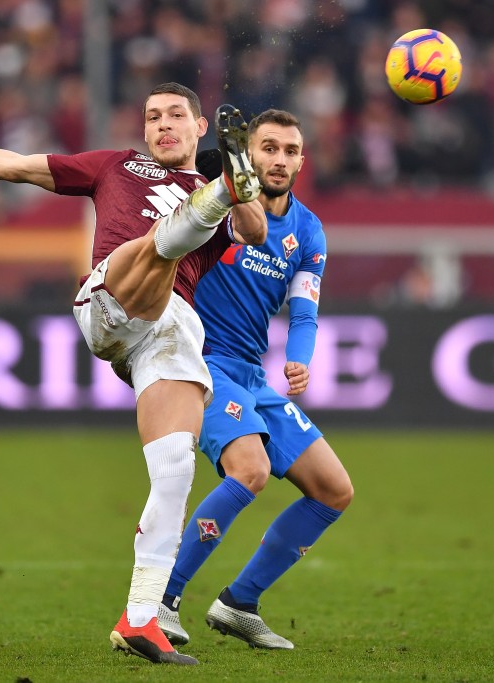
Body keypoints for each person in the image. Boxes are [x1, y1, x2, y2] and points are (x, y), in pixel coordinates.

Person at [0, 82, 267, 665]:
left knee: (176, 470)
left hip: (170, 334)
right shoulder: (115, 166)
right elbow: (16, 167)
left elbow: (257, 231)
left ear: (201, 126)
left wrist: (238, 191)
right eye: (152, 116)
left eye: (175, 116)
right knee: (161, 247)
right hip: (112, 296)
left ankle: (140, 619)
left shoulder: (224, 192)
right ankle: (201, 211)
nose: (163, 125)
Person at [155, 109, 354, 649]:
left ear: (301, 161)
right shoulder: (219, 206)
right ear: (250, 154)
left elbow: (305, 310)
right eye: (269, 148)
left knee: (333, 491)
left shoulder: (309, 229)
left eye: (290, 151)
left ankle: (239, 602)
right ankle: (162, 600)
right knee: (250, 469)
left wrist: (300, 359)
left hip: (252, 374)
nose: (280, 160)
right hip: (205, 363)